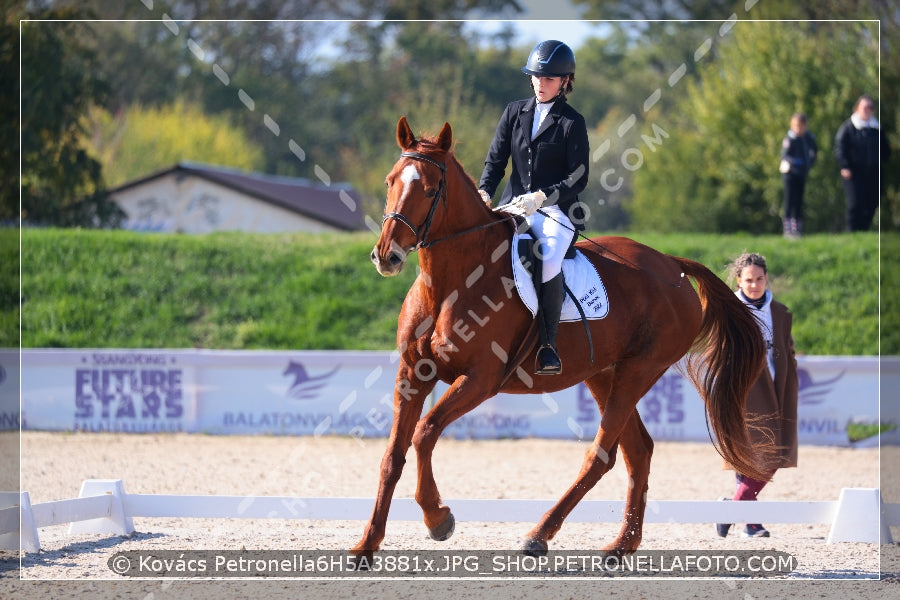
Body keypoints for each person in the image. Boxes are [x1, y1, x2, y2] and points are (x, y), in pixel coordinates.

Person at [478, 40, 590, 375]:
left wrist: (542, 197)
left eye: (550, 79)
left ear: (565, 82)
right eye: (537, 77)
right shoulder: (515, 112)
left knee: (548, 258)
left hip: (556, 212)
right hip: (513, 205)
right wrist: (484, 190)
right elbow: (496, 160)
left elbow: (579, 176)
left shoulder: (572, 121)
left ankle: (548, 344)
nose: (541, 83)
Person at [716, 252, 798, 538]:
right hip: (744, 390)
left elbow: (788, 351)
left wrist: (791, 381)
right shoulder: (729, 311)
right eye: (749, 280)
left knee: (770, 455)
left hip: (778, 390)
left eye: (759, 279)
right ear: (739, 280)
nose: (754, 285)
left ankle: (738, 512)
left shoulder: (781, 311)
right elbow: (719, 351)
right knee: (763, 455)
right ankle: (747, 519)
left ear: (766, 279)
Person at [834, 95, 892, 232]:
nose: (868, 110)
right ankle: (852, 233)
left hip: (873, 172)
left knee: (872, 202)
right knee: (855, 204)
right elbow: (840, 147)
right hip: (853, 173)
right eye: (865, 107)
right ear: (857, 108)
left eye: (870, 107)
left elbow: (885, 149)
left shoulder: (876, 128)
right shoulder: (848, 127)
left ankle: (863, 231)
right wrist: (844, 166)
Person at [779, 113, 817, 238]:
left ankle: (797, 229)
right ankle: (788, 229)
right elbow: (785, 155)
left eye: (800, 126)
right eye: (795, 126)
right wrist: (795, 162)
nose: (798, 129)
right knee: (789, 200)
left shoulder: (808, 138)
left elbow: (813, 152)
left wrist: (808, 163)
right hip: (790, 174)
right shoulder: (790, 139)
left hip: (801, 173)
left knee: (799, 202)